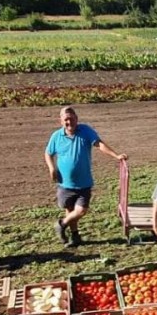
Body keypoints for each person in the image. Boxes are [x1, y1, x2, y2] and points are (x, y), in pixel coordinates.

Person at [43, 105, 127, 248]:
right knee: (70, 211)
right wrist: (52, 168)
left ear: (77, 118)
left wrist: (116, 155)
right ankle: (75, 237)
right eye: (66, 120)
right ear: (61, 121)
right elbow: (48, 153)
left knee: (80, 211)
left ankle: (61, 224)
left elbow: (99, 144)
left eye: (71, 119)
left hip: (84, 183)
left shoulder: (85, 131)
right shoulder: (56, 136)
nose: (69, 122)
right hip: (65, 183)